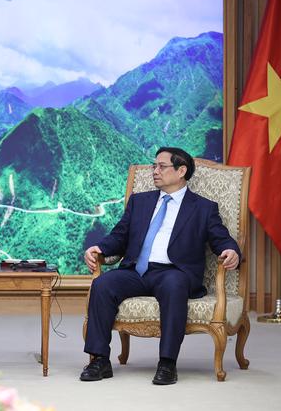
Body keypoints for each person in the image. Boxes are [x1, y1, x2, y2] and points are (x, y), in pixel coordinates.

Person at [80, 147, 240, 385]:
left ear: (181, 171)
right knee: (103, 284)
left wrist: (231, 251)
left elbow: (221, 238)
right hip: (136, 271)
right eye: (154, 166)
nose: (154, 171)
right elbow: (119, 236)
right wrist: (99, 248)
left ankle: (167, 363)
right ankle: (100, 360)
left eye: (161, 166)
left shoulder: (203, 208)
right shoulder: (139, 202)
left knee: (174, 285)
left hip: (174, 273)